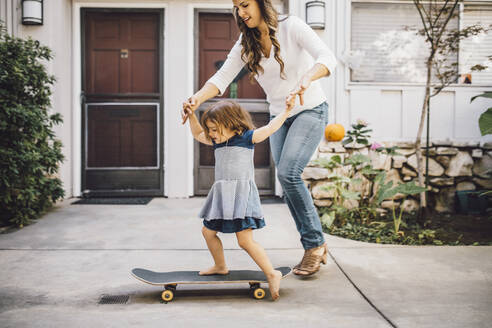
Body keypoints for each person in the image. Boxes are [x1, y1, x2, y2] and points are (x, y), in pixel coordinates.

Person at [182, 0, 337, 276]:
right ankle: (317, 243)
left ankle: (314, 245)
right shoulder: (246, 41)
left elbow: (327, 58)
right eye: (237, 8)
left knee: (289, 173)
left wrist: (307, 79)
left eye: (245, 5)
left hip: (310, 109)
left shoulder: (292, 27)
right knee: (287, 179)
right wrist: (196, 99)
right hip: (280, 114)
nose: (241, 12)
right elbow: (222, 78)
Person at [184, 98, 294, 301]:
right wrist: (191, 115)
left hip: (241, 196)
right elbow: (198, 133)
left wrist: (286, 112)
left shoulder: (247, 138)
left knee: (244, 241)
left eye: (215, 129)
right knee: (208, 232)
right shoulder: (217, 141)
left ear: (232, 123)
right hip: (222, 196)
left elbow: (270, 128)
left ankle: (272, 273)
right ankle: (220, 266)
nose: (212, 134)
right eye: (211, 130)